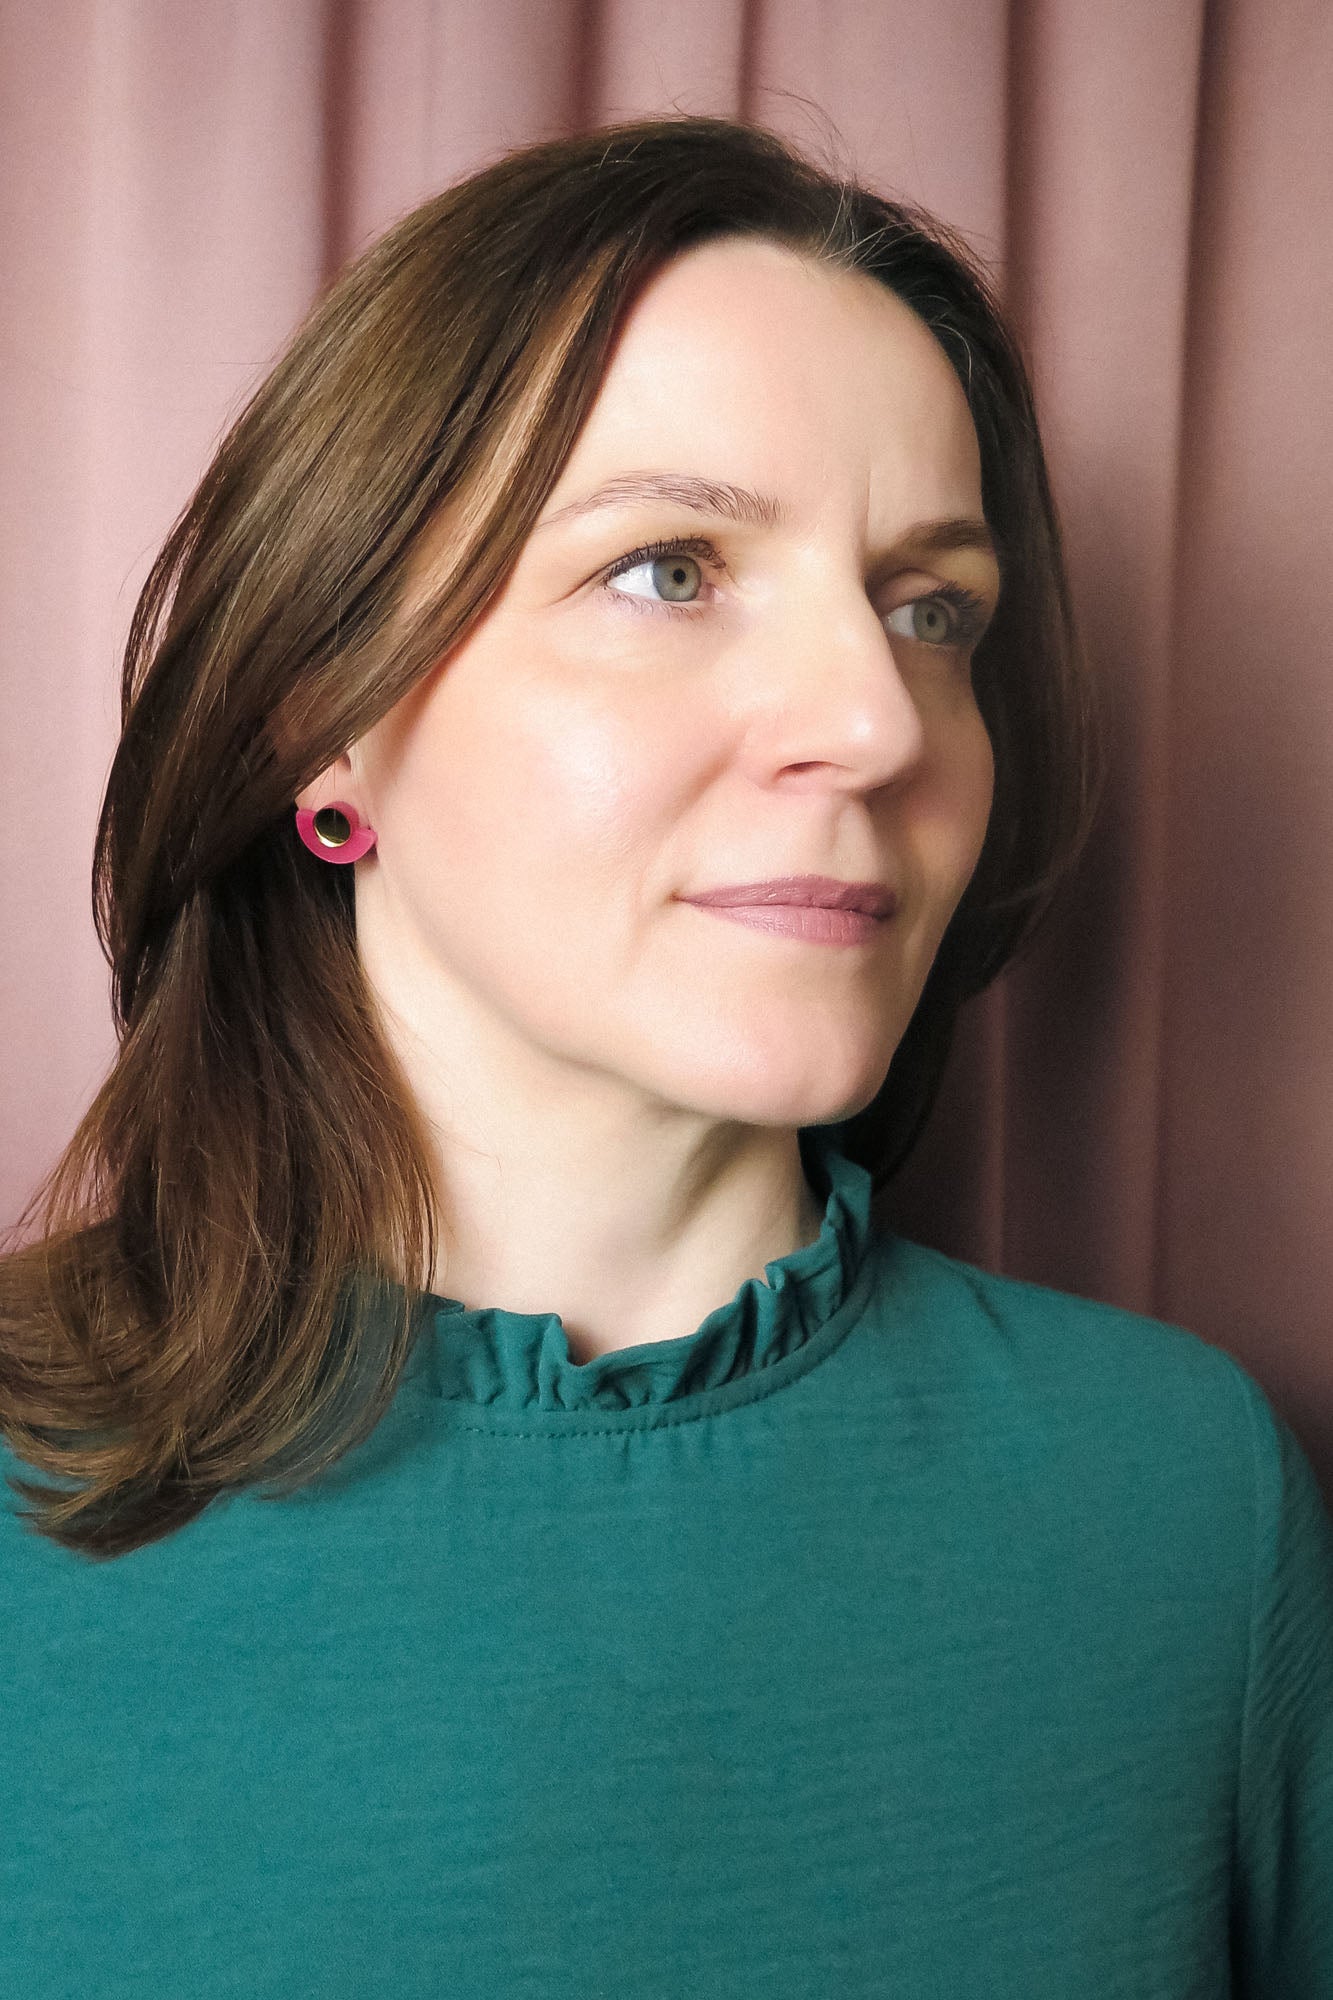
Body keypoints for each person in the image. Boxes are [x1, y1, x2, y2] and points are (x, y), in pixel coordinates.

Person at [1, 113, 1329, 1999]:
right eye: (671, 571)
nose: (878, 721)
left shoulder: (1184, 1507)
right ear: (328, 719)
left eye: (928, 607)